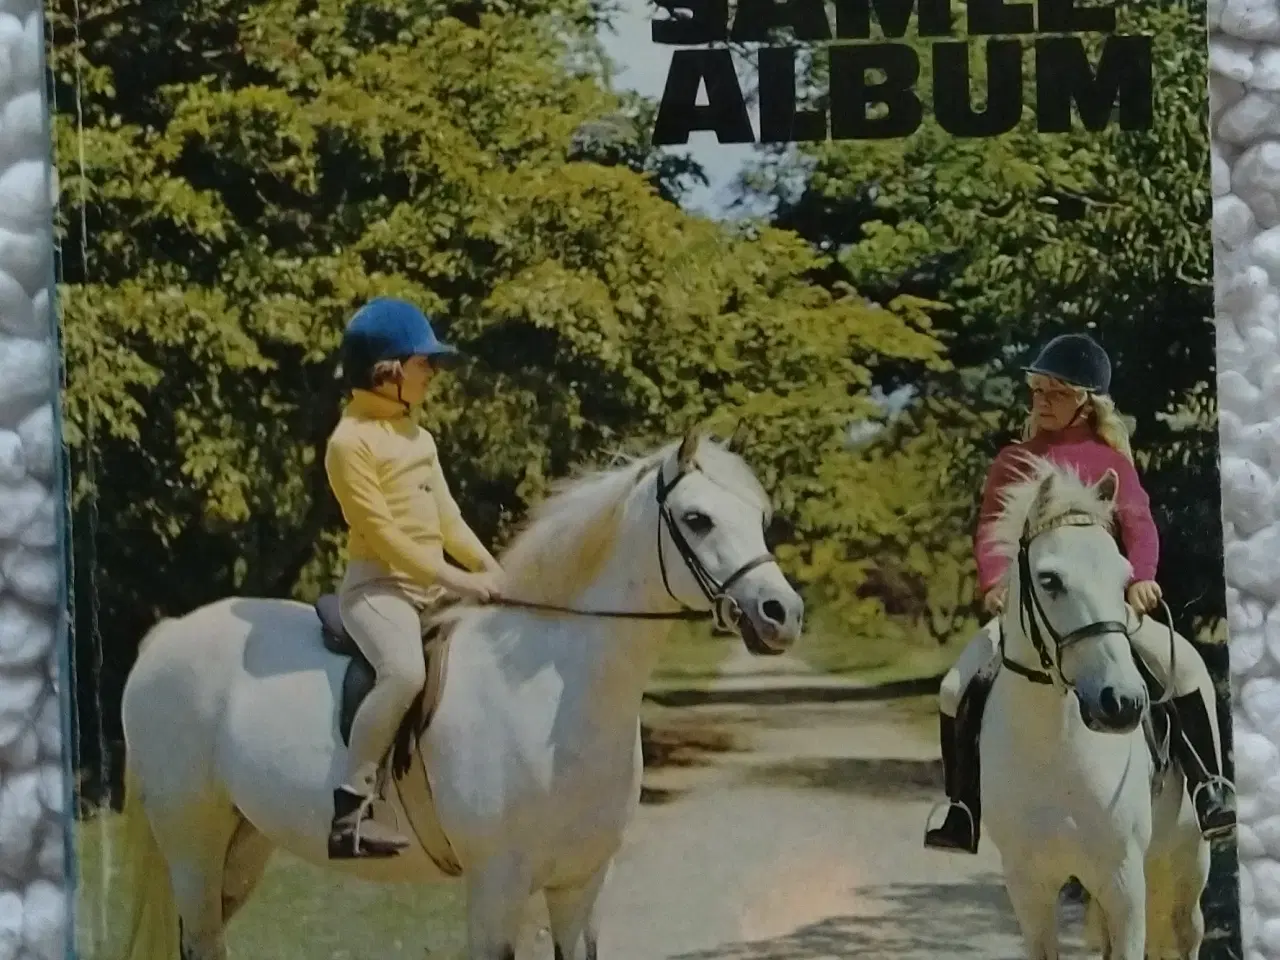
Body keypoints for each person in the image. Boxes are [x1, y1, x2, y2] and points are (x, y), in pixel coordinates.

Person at [923, 332, 1236, 855]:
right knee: (956, 687)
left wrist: (1140, 577)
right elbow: (991, 529)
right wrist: (995, 581)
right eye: (1037, 391)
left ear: (1085, 401)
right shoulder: (1013, 460)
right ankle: (963, 808)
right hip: (1031, 613)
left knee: (1185, 669)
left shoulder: (1110, 460)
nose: (1040, 402)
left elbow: (1139, 525)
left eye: (1054, 393)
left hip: (1105, 611)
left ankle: (1209, 790)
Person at [323, 297, 505, 859]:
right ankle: (350, 810)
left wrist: (493, 569)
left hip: (430, 584)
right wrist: (460, 582)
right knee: (402, 670)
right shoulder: (348, 444)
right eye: (425, 363)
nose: (433, 373)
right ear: (389, 371)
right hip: (379, 590)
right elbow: (386, 539)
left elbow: (447, 519)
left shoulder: (417, 437)